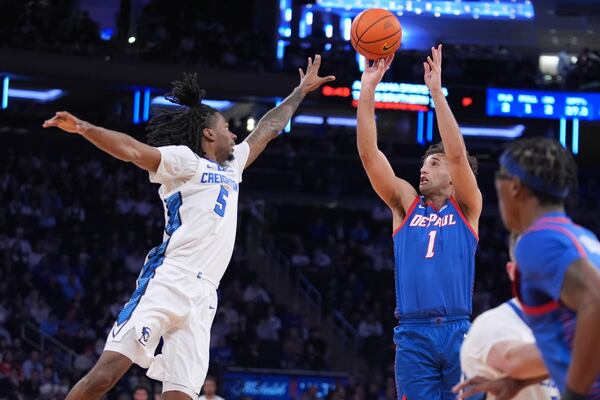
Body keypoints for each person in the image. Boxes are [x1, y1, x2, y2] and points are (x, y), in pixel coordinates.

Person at [43, 55, 334, 400]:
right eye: (228, 127)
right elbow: (135, 151)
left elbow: (269, 128)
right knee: (106, 375)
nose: (235, 132)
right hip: (170, 279)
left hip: (205, 295)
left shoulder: (234, 163)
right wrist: (85, 128)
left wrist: (299, 91)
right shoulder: (185, 160)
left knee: (181, 396)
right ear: (209, 133)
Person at [356, 44, 481, 399]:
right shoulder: (406, 206)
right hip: (413, 335)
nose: (424, 169)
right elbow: (369, 155)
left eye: (435, 164)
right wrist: (368, 89)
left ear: (457, 176)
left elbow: (457, 153)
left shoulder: (468, 208)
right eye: (424, 164)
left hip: (458, 331)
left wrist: (436, 93)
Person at [458, 138, 600, 399]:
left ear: (514, 187)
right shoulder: (581, 236)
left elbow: (596, 305)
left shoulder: (536, 241)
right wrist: (520, 383)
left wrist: (574, 394)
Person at [458, 233, 559, 400]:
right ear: (513, 271)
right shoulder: (492, 323)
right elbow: (513, 361)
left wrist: (520, 383)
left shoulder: (571, 320)